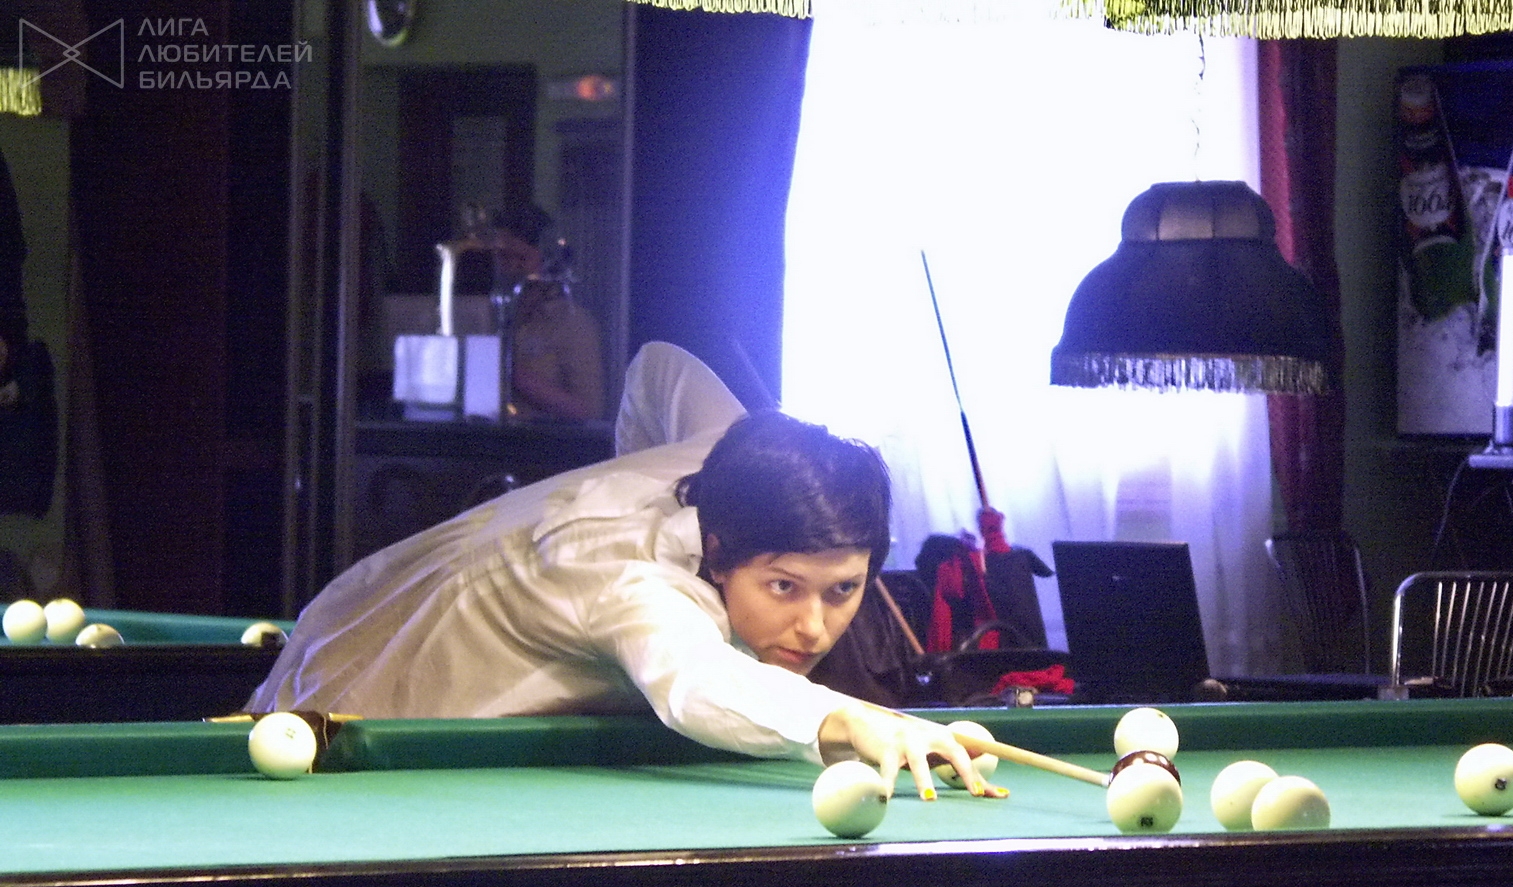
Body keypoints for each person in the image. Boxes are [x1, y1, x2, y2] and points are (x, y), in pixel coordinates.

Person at [251, 343, 993, 799]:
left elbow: (658, 368)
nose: (814, 626)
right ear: (718, 548)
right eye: (783, 587)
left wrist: (626, 474)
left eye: (843, 590)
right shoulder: (628, 582)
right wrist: (841, 718)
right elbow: (694, 681)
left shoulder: (729, 453)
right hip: (341, 707)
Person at [486, 204, 606, 423]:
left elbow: (589, 410)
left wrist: (513, 374)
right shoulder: (490, 313)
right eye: (503, 257)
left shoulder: (572, 323)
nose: (510, 267)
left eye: (521, 258)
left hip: (543, 440)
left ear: (547, 260)